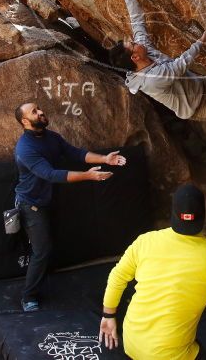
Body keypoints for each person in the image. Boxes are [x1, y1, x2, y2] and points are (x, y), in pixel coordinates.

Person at [99, 184, 206, 360]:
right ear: (203, 216)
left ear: (173, 213)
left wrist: (108, 315)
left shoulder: (145, 241)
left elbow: (117, 276)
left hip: (132, 343)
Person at [14, 102, 127, 312]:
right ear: (25, 121)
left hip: (50, 200)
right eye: (34, 112)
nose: (41, 111)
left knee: (51, 244)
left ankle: (47, 278)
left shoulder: (52, 137)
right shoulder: (25, 148)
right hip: (31, 204)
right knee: (42, 250)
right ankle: (28, 296)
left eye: (39, 108)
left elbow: (76, 153)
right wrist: (89, 176)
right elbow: (51, 174)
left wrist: (105, 159)